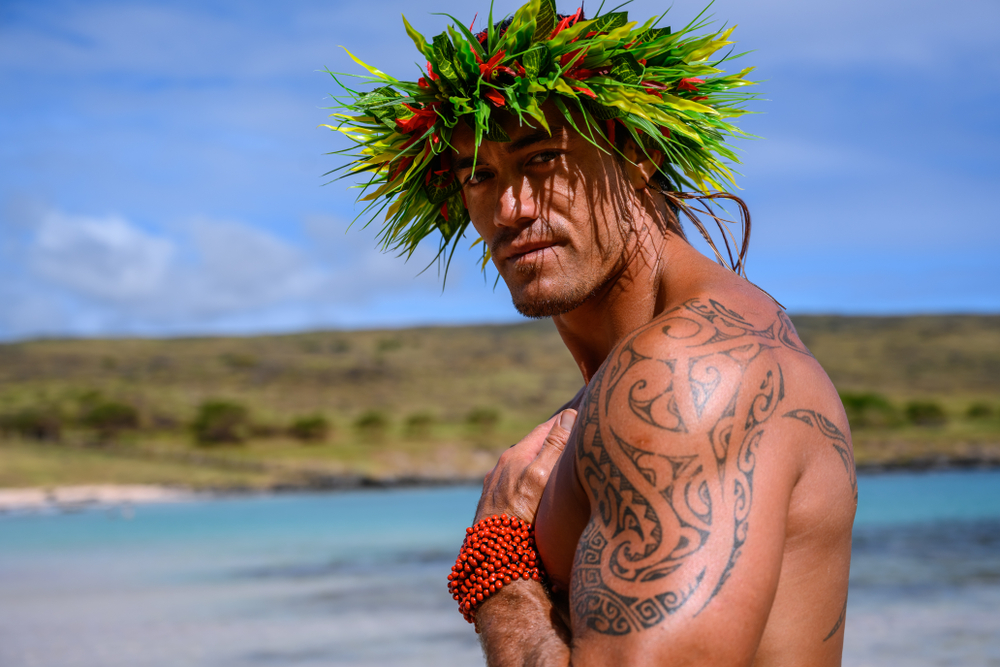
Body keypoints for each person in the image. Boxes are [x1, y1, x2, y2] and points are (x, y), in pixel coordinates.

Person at [326, 2, 857, 664]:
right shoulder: (648, 371)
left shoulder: (684, 372)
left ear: (636, 153)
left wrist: (498, 569)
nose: (510, 209)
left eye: (542, 157)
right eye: (479, 174)